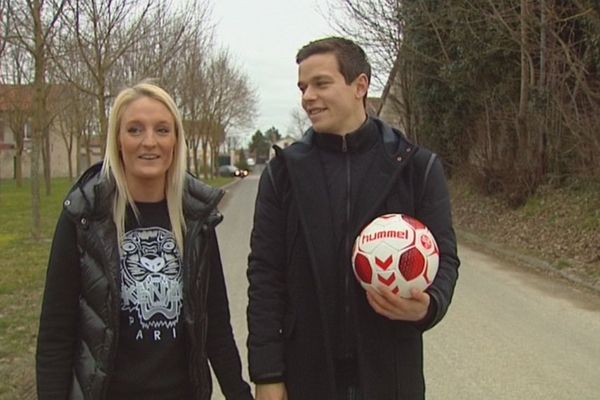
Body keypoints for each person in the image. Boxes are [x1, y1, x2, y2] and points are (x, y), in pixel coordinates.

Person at [246, 37, 460, 400]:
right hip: (306, 376)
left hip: (390, 375)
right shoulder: (284, 173)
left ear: (360, 85)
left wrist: (430, 304)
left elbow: (446, 258)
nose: (307, 97)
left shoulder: (416, 167)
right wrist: (267, 372)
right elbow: (265, 275)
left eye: (321, 83)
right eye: (303, 87)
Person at [36, 82, 253, 400]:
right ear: (118, 141)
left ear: (176, 141)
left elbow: (216, 326)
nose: (149, 142)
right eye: (135, 130)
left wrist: (240, 393)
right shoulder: (85, 216)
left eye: (162, 130)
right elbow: (55, 334)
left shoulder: (195, 218)